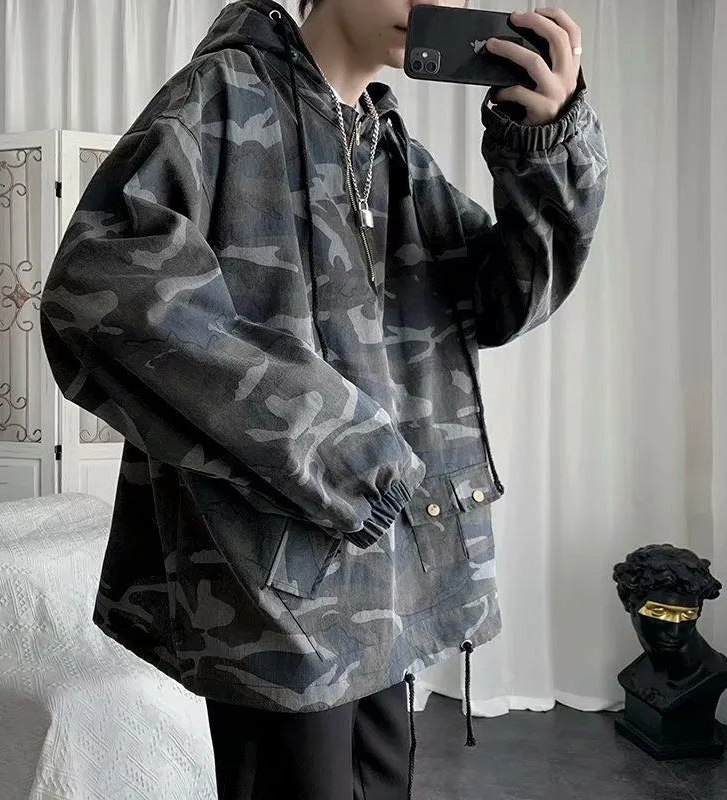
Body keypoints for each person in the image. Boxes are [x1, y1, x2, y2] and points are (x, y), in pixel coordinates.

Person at [39, 0, 608, 797]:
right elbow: (102, 292)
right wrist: (340, 444)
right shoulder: (221, 96)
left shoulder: (389, 147)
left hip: (387, 563)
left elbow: (504, 299)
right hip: (273, 569)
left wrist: (546, 147)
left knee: (381, 781)